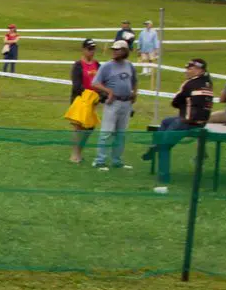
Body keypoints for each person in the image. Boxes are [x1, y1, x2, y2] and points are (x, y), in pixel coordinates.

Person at [141, 59, 213, 194]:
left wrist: (183, 105)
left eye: (190, 68)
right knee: (166, 121)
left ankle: (163, 174)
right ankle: (154, 145)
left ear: (200, 70)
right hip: (202, 122)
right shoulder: (208, 83)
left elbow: (175, 102)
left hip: (186, 122)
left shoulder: (189, 84)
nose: (187, 71)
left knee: (164, 145)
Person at [90, 40, 137, 170]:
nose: (114, 52)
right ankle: (100, 160)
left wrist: (134, 93)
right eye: (114, 49)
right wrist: (109, 91)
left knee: (121, 133)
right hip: (113, 103)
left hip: (126, 103)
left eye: (118, 49)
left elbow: (134, 81)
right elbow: (95, 83)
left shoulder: (129, 65)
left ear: (125, 51)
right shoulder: (107, 66)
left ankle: (117, 160)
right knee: (106, 132)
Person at [68, 39, 100, 163]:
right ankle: (74, 154)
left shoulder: (97, 65)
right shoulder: (78, 65)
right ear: (83, 49)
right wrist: (88, 94)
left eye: (93, 49)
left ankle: (80, 152)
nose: (91, 52)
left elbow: (101, 81)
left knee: (90, 128)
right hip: (80, 100)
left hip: (92, 102)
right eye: (89, 49)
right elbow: (76, 85)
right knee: (79, 127)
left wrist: (99, 96)